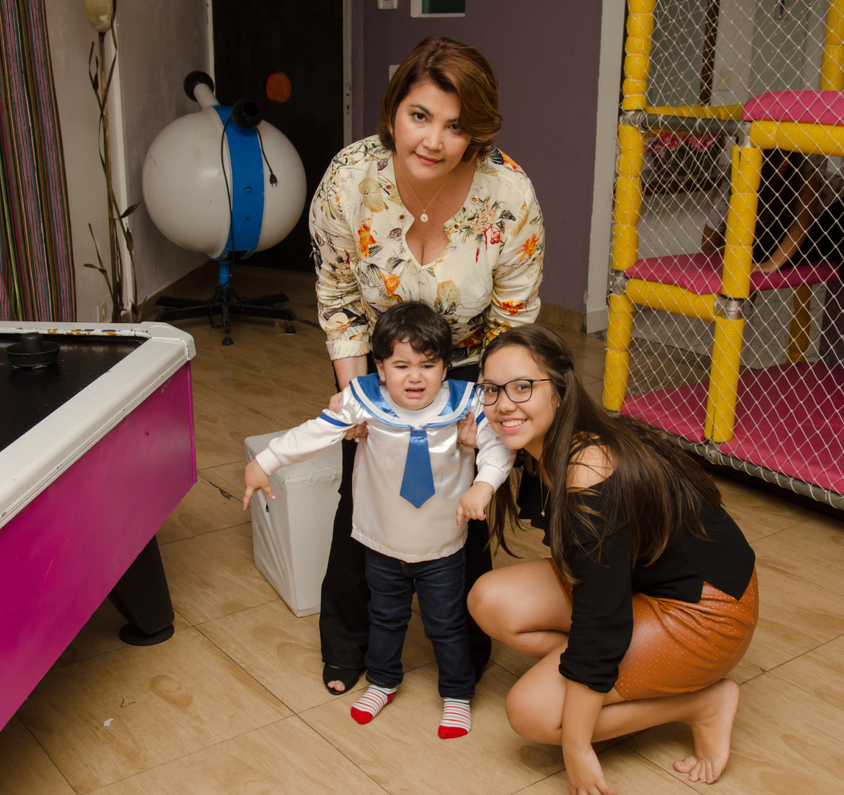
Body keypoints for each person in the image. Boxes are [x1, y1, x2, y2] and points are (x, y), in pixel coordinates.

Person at [309, 35, 545, 694]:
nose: (434, 141)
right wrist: (360, 401)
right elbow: (338, 300)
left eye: (456, 126)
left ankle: (463, 650)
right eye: (420, 116)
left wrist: (487, 411)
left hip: (470, 367)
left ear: (479, 131)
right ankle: (348, 641)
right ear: (393, 111)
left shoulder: (510, 194)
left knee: (464, 509)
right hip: (378, 364)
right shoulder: (348, 179)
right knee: (361, 496)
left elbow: (513, 322)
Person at [467, 325, 758, 794]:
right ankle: (615, 677)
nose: (503, 405)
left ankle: (702, 703)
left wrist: (576, 745)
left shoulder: (589, 468)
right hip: (642, 588)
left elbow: (601, 619)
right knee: (488, 599)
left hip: (706, 613)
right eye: (491, 390)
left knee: (532, 715)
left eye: (522, 387)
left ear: (560, 389)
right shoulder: (543, 444)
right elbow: (596, 592)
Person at [244, 302, 515, 737]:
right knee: (385, 617)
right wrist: (265, 462)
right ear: (381, 367)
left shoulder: (465, 403)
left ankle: (457, 693)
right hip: (381, 542)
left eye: (428, 365)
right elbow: (315, 432)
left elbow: (500, 446)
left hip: (442, 546)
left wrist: (484, 484)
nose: (415, 377)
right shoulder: (362, 399)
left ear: (446, 368)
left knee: (446, 623)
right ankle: (383, 681)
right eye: (401, 365)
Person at [701, 149, 844, 425]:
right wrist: (736, 250)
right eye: (777, 159)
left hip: (843, 216)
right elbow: (708, 243)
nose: (784, 164)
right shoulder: (739, 176)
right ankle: (724, 366)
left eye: (787, 159)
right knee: (749, 251)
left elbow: (803, 221)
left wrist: (772, 264)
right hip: (793, 233)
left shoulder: (804, 159)